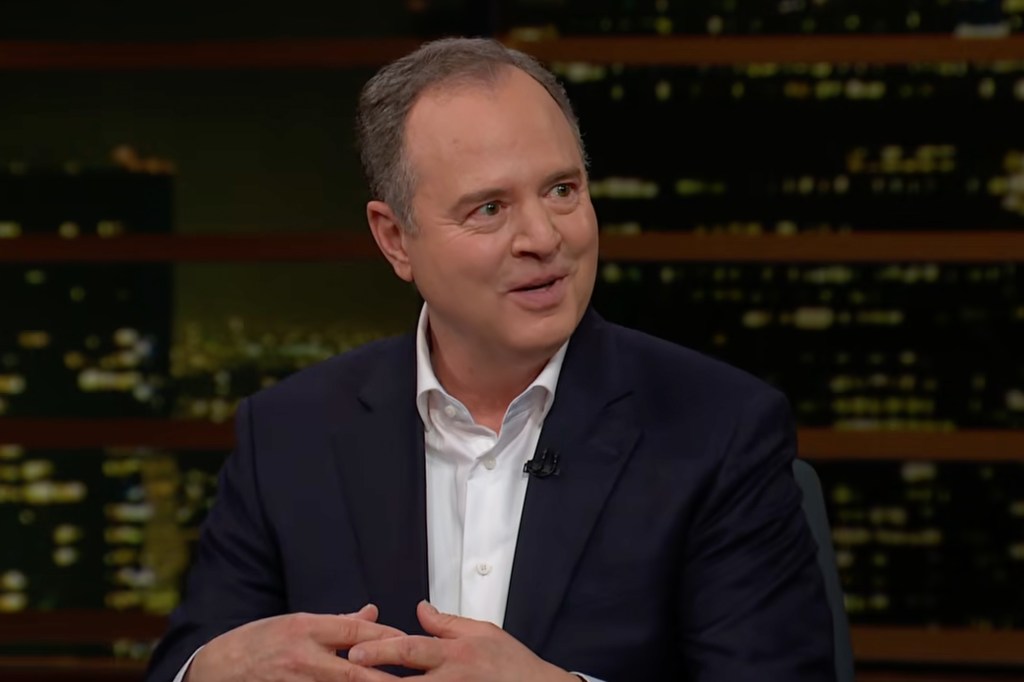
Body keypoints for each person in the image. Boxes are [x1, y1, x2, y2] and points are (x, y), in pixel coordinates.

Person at [144, 37, 836, 682]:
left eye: (563, 190)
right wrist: (211, 667)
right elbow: (193, 656)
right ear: (396, 240)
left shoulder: (719, 430)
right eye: (489, 209)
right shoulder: (288, 434)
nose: (542, 237)